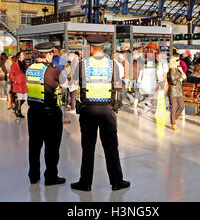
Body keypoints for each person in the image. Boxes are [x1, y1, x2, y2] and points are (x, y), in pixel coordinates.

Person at [71, 35, 130, 192]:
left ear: (90, 48)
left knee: (88, 147)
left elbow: (74, 85)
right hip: (107, 111)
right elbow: (119, 87)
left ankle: (85, 183)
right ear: (103, 48)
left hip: (88, 110)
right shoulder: (114, 65)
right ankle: (117, 182)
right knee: (111, 146)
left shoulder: (82, 65)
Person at [26, 43, 66, 186]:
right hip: (50, 113)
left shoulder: (29, 69)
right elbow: (65, 85)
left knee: (34, 145)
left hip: (33, 112)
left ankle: (33, 175)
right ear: (48, 54)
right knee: (52, 147)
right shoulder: (52, 71)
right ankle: (51, 176)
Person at [168, 55, 186, 131]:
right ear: (174, 61)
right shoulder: (171, 70)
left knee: (182, 106)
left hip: (179, 90)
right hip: (173, 91)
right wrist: (181, 78)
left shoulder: (178, 69)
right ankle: (173, 124)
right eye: (177, 60)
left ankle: (174, 118)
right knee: (174, 107)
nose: (179, 62)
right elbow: (173, 82)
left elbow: (184, 79)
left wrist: (182, 73)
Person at [9, 52, 28, 118]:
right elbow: (11, 73)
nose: (23, 56)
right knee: (20, 97)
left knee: (25, 97)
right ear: (18, 56)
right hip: (18, 83)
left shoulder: (24, 63)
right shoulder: (15, 64)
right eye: (22, 55)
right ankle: (18, 112)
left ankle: (16, 107)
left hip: (23, 82)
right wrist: (14, 80)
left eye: (23, 55)